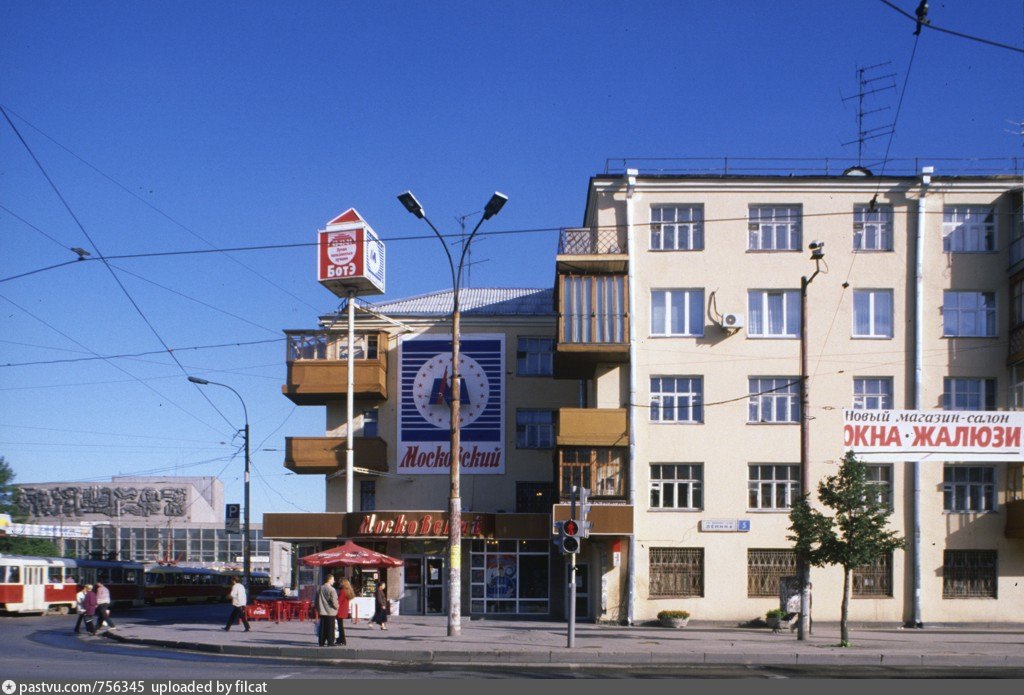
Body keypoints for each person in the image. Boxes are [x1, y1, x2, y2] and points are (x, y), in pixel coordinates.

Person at [315, 574, 339, 647]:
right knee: (330, 628)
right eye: (333, 579)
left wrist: (318, 608)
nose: (334, 581)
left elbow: (316, 600)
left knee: (322, 627)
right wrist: (337, 607)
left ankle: (321, 642)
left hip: (322, 611)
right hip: (330, 611)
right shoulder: (332, 589)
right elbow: (334, 601)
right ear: (329, 580)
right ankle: (330, 642)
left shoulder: (319, 588)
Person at [336, 577, 355, 646]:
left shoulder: (342, 591)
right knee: (340, 625)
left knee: (339, 626)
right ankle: (341, 640)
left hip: (340, 610)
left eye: (340, 582)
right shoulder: (347, 590)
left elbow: (339, 601)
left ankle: (341, 640)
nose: (339, 583)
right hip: (344, 610)